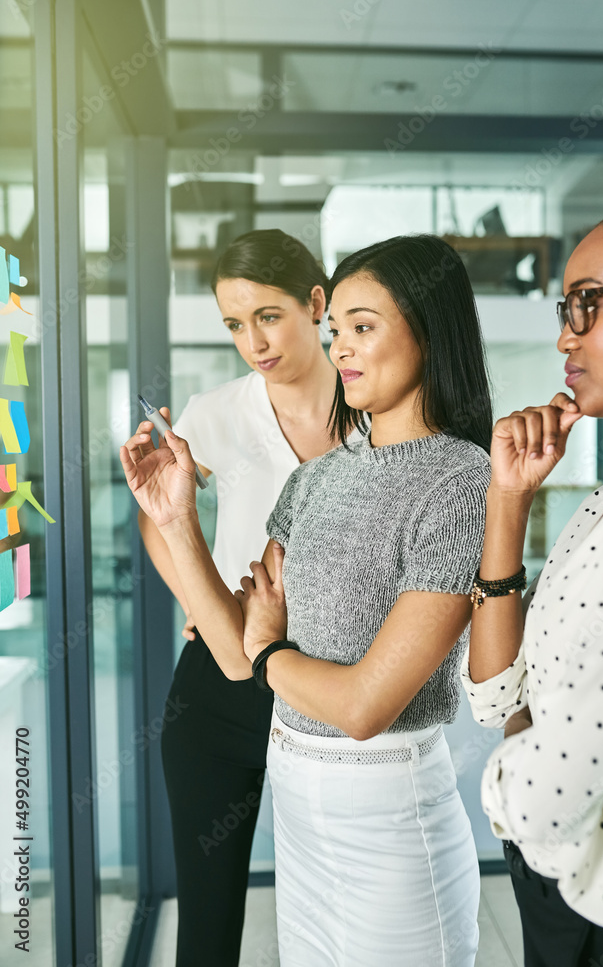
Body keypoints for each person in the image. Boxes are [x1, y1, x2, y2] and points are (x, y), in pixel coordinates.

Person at [121, 233, 493, 967]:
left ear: (427, 326)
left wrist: (267, 649)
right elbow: (230, 655)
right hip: (300, 805)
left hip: (386, 811)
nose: (342, 350)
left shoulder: (458, 478)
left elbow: (360, 706)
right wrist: (174, 519)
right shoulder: (317, 480)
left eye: (361, 328)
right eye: (338, 334)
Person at [462, 147, 603, 965]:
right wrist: (506, 501)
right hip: (561, 892)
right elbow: (492, 696)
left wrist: (504, 793)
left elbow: (550, 786)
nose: (561, 337)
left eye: (587, 305)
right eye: (562, 308)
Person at [138, 229, 353, 967]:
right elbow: (156, 514)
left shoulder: (373, 413)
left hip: (326, 683)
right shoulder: (217, 410)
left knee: (330, 911)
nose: (252, 341)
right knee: (206, 919)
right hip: (216, 691)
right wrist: (199, 608)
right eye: (234, 323)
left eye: (267, 315)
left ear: (315, 303)